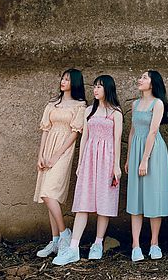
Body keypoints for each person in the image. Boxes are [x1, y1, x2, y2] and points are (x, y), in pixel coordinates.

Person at [52, 75, 123, 265]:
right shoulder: (89, 111)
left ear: (108, 89)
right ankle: (73, 247)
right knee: (82, 202)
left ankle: (98, 243)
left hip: (107, 160)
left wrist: (116, 166)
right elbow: (83, 139)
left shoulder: (116, 113)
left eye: (99, 87)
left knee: (104, 203)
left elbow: (117, 142)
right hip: (90, 159)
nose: (96, 90)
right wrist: (81, 162)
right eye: (94, 86)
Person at [34, 69, 87, 258]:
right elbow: (45, 131)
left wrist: (56, 155)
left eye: (67, 79)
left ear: (75, 83)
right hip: (48, 148)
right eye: (62, 78)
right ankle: (55, 241)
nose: (63, 81)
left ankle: (65, 233)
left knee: (49, 193)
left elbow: (74, 134)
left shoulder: (80, 106)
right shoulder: (52, 104)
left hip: (63, 151)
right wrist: (41, 155)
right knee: (50, 198)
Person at [125, 70, 168, 262]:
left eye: (145, 77)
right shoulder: (135, 104)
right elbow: (132, 131)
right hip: (136, 150)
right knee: (135, 197)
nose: (140, 79)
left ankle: (154, 243)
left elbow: (153, 132)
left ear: (153, 83)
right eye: (141, 76)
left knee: (154, 196)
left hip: (153, 152)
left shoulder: (157, 103)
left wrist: (145, 159)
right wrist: (129, 158)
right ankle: (136, 245)